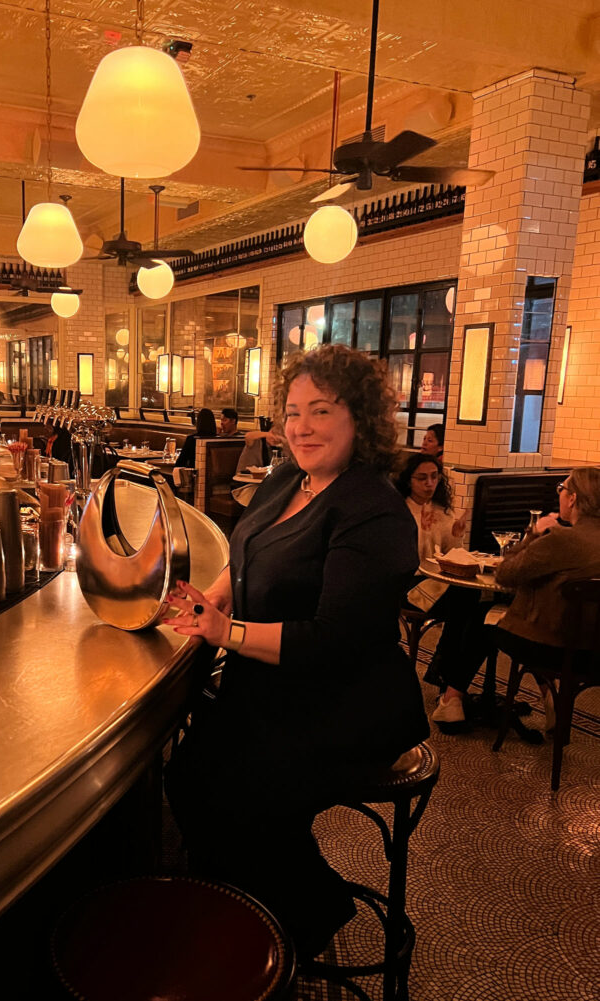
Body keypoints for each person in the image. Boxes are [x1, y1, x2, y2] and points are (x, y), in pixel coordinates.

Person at [163, 344, 428, 960]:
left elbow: (331, 642)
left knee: (242, 793)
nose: (302, 427)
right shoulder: (290, 476)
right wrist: (211, 600)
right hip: (271, 687)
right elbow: (246, 550)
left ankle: (309, 912)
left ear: (359, 419)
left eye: (321, 411)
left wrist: (224, 632)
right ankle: (241, 905)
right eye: (292, 412)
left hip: (345, 704)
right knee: (189, 772)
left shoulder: (373, 511)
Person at [434, 467, 600, 727]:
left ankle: (451, 700)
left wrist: (534, 533)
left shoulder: (562, 540)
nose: (560, 494)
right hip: (592, 653)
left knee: (482, 617)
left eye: (562, 489)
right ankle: (551, 698)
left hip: (553, 647)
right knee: (497, 615)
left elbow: (507, 574)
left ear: (573, 498)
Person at [395, 452, 489, 699]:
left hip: (438, 581)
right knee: (467, 603)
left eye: (434, 477)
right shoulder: (398, 510)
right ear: (408, 481)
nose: (430, 484)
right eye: (422, 478)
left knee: (470, 598)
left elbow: (447, 555)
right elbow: (403, 558)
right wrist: (420, 531)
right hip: (407, 583)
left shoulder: (439, 510)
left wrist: (456, 534)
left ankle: (446, 673)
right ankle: (447, 674)